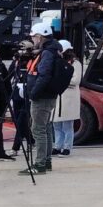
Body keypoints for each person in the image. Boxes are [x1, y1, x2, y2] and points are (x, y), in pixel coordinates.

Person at [20, 23, 66, 175]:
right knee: (45, 128)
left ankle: (40, 163)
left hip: (42, 96)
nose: (32, 39)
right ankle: (46, 161)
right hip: (49, 95)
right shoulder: (53, 50)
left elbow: (44, 75)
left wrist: (33, 92)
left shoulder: (47, 53)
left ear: (39, 36)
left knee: (38, 129)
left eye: (33, 37)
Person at [52, 40, 82, 156]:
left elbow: (76, 80)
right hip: (58, 97)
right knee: (56, 124)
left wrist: (62, 81)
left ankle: (67, 147)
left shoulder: (76, 64)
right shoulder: (58, 62)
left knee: (67, 124)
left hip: (69, 97)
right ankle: (57, 146)